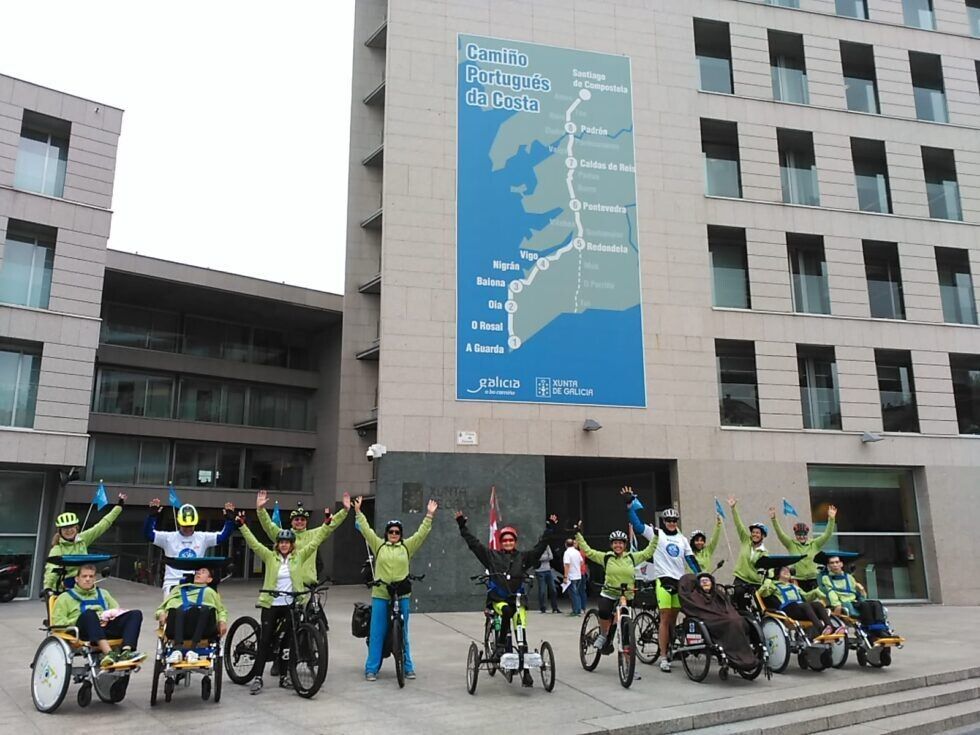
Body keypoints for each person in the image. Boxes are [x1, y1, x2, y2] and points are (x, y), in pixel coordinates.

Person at [235, 495, 348, 695]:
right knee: (266, 639)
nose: (285, 544)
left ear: (292, 544)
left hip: (296, 598)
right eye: (282, 542)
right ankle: (259, 676)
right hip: (272, 601)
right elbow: (255, 542)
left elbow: (322, 535)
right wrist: (253, 516)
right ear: (278, 543)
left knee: (289, 639)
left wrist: (340, 514)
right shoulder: (270, 556)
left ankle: (286, 673)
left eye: (288, 542)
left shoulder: (300, 554)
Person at [455, 511, 559, 687]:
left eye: (511, 540)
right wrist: (462, 526)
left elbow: (541, 547)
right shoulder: (492, 556)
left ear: (515, 542)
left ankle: (525, 672)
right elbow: (474, 545)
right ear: (501, 542)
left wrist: (550, 529)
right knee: (507, 611)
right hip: (499, 599)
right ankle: (500, 646)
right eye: (505, 540)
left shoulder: (523, 557)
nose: (508, 543)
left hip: (518, 599)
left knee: (521, 629)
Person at [354, 494, 437, 682]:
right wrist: (358, 512)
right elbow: (366, 531)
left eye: (397, 532)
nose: (393, 534)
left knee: (403, 632)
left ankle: (408, 667)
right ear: (386, 533)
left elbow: (421, 534)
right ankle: (371, 669)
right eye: (391, 532)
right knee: (377, 632)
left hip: (402, 594)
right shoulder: (379, 545)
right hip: (381, 594)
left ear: (400, 534)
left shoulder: (407, 547)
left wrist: (429, 516)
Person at [623, 487, 699, 672]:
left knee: (674, 618)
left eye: (674, 520)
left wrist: (702, 575)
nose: (671, 523)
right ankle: (664, 656)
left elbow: (691, 560)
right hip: (663, 580)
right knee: (665, 617)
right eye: (668, 520)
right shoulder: (656, 533)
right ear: (663, 521)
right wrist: (629, 506)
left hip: (679, 582)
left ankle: (671, 648)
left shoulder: (682, 539)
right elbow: (637, 525)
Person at [574, 522, 656, 654]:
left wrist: (655, 536)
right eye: (615, 543)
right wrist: (578, 534)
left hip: (626, 595)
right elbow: (588, 551)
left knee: (622, 623)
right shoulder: (606, 557)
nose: (618, 545)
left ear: (625, 545)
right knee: (605, 612)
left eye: (621, 543)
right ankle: (603, 634)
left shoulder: (631, 557)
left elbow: (648, 552)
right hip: (609, 593)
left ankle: (628, 663)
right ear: (611, 545)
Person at [50, 564, 145, 667]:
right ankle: (109, 653)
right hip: (81, 631)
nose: (87, 579)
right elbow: (58, 623)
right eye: (84, 576)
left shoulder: (104, 594)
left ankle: (126, 652)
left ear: (95, 578)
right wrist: (88, 618)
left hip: (104, 628)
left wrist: (108, 617)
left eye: (91, 576)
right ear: (77, 579)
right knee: (90, 614)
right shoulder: (64, 598)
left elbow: (117, 611)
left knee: (135, 614)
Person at [144, 500, 236, 596]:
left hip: (196, 582)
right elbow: (149, 535)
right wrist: (151, 517)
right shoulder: (168, 538)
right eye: (185, 526)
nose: (188, 529)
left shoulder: (202, 538)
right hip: (172, 583)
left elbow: (222, 536)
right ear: (179, 523)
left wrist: (229, 520)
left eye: (190, 526)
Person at [256, 489, 345, 587]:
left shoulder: (313, 534)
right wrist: (260, 510)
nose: (299, 522)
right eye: (296, 519)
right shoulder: (284, 536)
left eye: (303, 519)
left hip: (308, 584)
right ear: (291, 521)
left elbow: (330, 525)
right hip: (289, 584)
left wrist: (345, 510)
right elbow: (268, 526)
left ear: (306, 522)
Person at [44, 492, 127, 591]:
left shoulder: (82, 539)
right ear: (60, 531)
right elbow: (51, 570)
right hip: (65, 588)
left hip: (85, 583)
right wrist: (47, 588)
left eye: (71, 527)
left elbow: (102, 525)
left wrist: (119, 506)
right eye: (65, 528)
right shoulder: (57, 549)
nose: (69, 530)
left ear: (77, 528)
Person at [678, 572, 759, 671]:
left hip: (726, 618)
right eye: (702, 582)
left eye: (707, 581)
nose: (705, 584)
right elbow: (699, 611)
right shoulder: (695, 597)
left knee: (738, 620)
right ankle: (735, 656)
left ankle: (744, 656)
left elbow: (729, 607)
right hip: (712, 622)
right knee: (731, 622)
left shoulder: (718, 594)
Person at [155, 565, 229, 664]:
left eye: (203, 572)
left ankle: (193, 650)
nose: (198, 573)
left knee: (204, 609)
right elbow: (161, 608)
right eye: (198, 571)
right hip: (178, 626)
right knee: (177, 609)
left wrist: (222, 621)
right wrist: (161, 614)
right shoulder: (178, 590)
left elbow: (221, 610)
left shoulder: (210, 592)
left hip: (203, 628)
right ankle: (177, 650)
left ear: (209, 579)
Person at [818, 554, 891, 638]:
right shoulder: (826, 578)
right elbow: (830, 592)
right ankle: (869, 629)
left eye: (837, 562)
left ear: (841, 564)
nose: (835, 565)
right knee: (865, 605)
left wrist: (862, 590)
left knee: (876, 603)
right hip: (845, 602)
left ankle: (881, 628)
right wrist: (836, 604)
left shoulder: (849, 577)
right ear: (828, 566)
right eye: (832, 563)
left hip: (855, 601)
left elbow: (858, 594)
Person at [769, 504, 838, 591]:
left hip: (814, 579)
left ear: (806, 534)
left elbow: (827, 534)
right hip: (798, 580)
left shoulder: (815, 543)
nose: (801, 537)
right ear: (795, 535)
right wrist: (774, 519)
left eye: (803, 534)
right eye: (798, 535)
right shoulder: (791, 544)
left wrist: (831, 519)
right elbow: (780, 534)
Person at [760, 565, 841, 639]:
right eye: (783, 570)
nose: (786, 572)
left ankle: (831, 627)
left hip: (800, 609)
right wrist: (767, 582)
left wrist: (816, 592)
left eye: (788, 570)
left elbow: (806, 597)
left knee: (818, 604)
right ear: (777, 574)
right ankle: (820, 629)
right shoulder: (773, 585)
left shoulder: (794, 586)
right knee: (805, 605)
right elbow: (762, 594)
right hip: (788, 610)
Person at [727, 496, 769, 610]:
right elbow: (739, 525)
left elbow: (765, 569)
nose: (755, 534)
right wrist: (733, 508)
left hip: (754, 582)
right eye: (753, 532)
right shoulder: (746, 541)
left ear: (763, 536)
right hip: (740, 579)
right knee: (735, 599)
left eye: (758, 533)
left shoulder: (764, 552)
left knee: (759, 605)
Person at [534, 542, 561, 614]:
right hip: (539, 571)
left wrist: (543, 557)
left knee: (553, 589)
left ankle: (555, 608)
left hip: (548, 570)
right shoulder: (536, 548)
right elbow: (536, 557)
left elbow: (551, 556)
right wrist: (546, 557)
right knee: (542, 591)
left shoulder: (547, 546)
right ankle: (542, 608)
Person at [563, 538, 586, 616]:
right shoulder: (577, 552)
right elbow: (582, 562)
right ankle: (579, 609)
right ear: (573, 544)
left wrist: (565, 576)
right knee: (577, 593)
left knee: (573, 594)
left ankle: (575, 611)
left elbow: (567, 564)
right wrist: (576, 567)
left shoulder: (567, 553)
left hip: (571, 576)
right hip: (578, 575)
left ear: (566, 544)